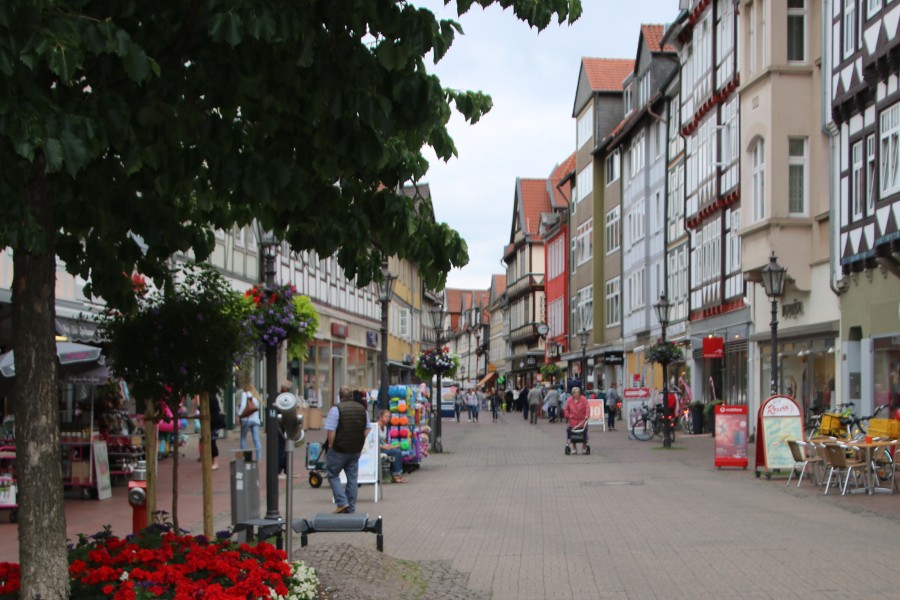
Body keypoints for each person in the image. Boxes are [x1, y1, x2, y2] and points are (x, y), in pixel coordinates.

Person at [324, 385, 371, 513]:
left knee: (333, 474)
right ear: (351, 396)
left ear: (340, 396)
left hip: (339, 449)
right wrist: (360, 439)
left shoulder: (336, 409)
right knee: (352, 478)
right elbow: (368, 427)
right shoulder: (362, 409)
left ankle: (342, 502)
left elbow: (331, 430)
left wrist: (330, 445)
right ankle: (351, 507)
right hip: (355, 449)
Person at [377, 409, 407, 483]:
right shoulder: (376, 427)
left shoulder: (385, 428)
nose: (387, 418)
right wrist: (385, 447)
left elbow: (383, 442)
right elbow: (374, 442)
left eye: (389, 417)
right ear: (380, 417)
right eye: (385, 416)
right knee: (396, 452)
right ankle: (395, 475)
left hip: (383, 447)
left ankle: (398, 474)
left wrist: (391, 446)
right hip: (377, 449)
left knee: (398, 450)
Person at [237, 382, 263, 461]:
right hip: (255, 420)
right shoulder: (256, 397)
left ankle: (244, 456)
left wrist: (239, 415)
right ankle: (259, 457)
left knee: (243, 438)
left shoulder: (245, 395)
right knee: (256, 439)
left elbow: (243, 406)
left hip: (247, 419)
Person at [564, 387, 590, 452]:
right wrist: (568, 415)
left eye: (578, 392)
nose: (577, 394)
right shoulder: (569, 400)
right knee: (572, 434)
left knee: (584, 433)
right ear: (572, 393)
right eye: (575, 392)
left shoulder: (583, 399)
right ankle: (574, 448)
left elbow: (587, 407)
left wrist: (587, 415)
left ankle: (584, 447)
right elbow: (566, 409)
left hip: (582, 420)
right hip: (573, 420)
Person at [277, 380, 293, 479]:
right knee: (282, 447)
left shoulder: (279, 396)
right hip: (282, 425)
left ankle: (286, 468)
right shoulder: (283, 398)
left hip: (282, 425)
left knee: (283, 446)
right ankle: (280, 468)